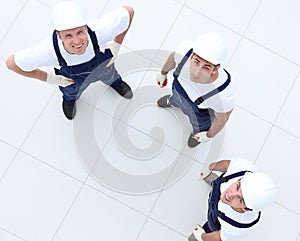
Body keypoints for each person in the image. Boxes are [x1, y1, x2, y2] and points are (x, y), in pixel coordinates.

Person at [6, 1, 134, 120]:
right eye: (68, 35)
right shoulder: (47, 51)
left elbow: (128, 12)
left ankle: (116, 83)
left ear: (86, 27)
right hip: (72, 82)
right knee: (71, 93)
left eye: (80, 32)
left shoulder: (100, 31)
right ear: (59, 35)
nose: (77, 41)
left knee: (111, 76)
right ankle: (70, 100)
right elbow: (11, 63)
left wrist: (117, 45)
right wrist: (47, 77)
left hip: (104, 68)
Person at [156, 32, 235, 147]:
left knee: (198, 126)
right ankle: (173, 101)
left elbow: (223, 118)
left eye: (206, 67)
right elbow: (173, 58)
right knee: (176, 99)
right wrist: (163, 73)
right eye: (196, 62)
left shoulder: (223, 94)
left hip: (200, 113)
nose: (196, 73)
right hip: (179, 92)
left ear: (216, 68)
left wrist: (208, 135)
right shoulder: (184, 51)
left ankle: (196, 134)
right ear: (192, 55)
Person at [188, 158, 277, 241]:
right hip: (219, 188)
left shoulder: (238, 226)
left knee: (211, 228)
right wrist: (212, 166)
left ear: (246, 208)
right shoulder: (243, 168)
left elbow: (219, 237)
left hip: (216, 218)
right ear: (241, 179)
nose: (230, 194)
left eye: (240, 200)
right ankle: (213, 181)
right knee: (219, 183)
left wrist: (201, 236)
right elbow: (227, 165)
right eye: (237, 186)